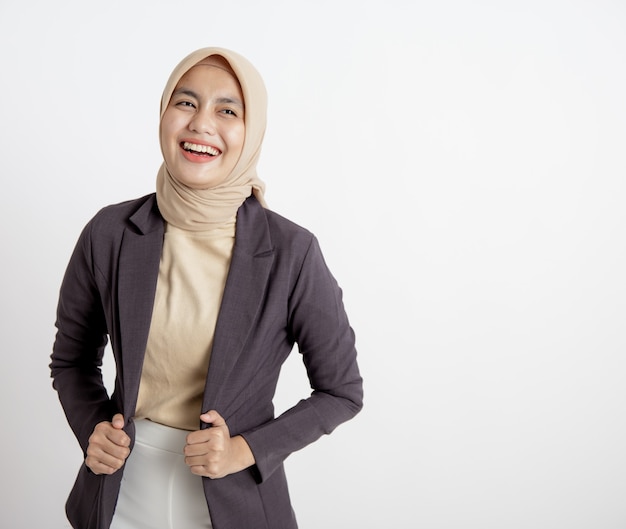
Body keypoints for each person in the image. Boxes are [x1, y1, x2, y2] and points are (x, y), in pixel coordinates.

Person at [49, 46, 363, 529]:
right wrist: (92, 427)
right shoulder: (109, 233)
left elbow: (341, 391)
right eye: (185, 102)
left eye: (227, 110)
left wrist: (245, 450)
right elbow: (71, 360)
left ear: (251, 130)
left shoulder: (292, 251)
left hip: (233, 501)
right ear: (163, 114)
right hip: (118, 493)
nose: (201, 124)